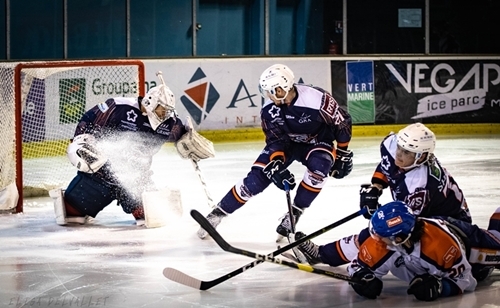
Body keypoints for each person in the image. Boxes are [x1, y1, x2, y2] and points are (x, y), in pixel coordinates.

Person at [197, 63, 353, 240]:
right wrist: (276, 162)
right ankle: (217, 214)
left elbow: (342, 123)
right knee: (256, 180)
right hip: (286, 144)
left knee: (320, 167)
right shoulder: (269, 109)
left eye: (270, 91)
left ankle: (294, 213)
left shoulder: (317, 99)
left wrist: (342, 153)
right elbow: (275, 139)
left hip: (316, 142)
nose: (267, 95)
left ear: (281, 89)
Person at [293, 122, 473, 266]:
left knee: (381, 231)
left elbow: (405, 224)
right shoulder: (392, 145)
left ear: (422, 157)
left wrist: (380, 216)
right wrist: (376, 187)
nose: (399, 155)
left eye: (407, 153)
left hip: (451, 225)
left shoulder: (420, 185)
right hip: (425, 212)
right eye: (400, 148)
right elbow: (387, 166)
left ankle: (324, 255)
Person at [50, 79, 214, 226]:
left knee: (153, 216)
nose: (164, 115)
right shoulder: (118, 107)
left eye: (167, 111)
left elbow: (181, 137)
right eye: (161, 110)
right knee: (70, 213)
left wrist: (189, 139)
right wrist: (81, 140)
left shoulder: (170, 123)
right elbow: (89, 119)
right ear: (150, 102)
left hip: (136, 180)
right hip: (100, 176)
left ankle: (139, 204)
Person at [344, 201, 500, 301]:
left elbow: (467, 280)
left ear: (398, 239)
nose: (375, 240)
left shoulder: (440, 246)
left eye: (380, 236)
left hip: (470, 245)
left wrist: (441, 288)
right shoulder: (386, 242)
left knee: (496, 243)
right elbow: (355, 267)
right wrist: (360, 277)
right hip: (439, 232)